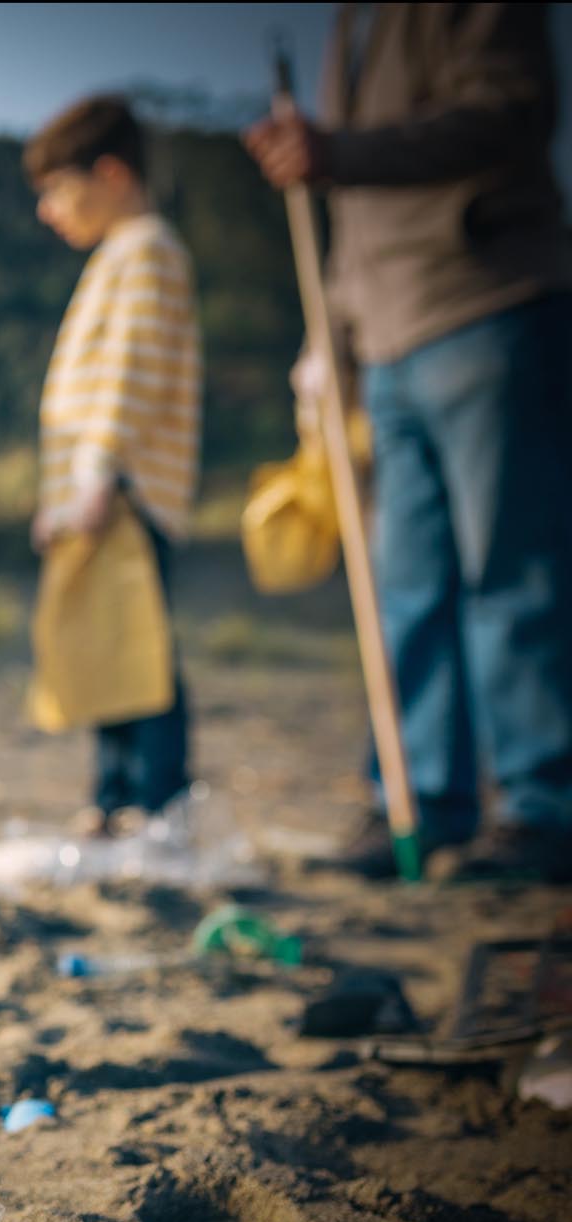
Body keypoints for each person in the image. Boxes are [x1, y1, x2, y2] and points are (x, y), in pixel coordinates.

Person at [245, 3, 572, 883]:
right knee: (407, 582)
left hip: (482, 302)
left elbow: (512, 108)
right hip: (382, 333)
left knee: (511, 568)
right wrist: (333, 335)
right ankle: (418, 803)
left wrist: (340, 153)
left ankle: (542, 808)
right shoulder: (354, 24)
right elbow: (347, 216)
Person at [26, 95, 203, 837]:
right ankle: (112, 800)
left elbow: (130, 374)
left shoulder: (148, 250)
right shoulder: (115, 256)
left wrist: (98, 476)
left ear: (111, 174)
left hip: (126, 492)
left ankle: (159, 805)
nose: (48, 211)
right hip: (95, 491)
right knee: (104, 647)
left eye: (58, 191)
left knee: (138, 654)